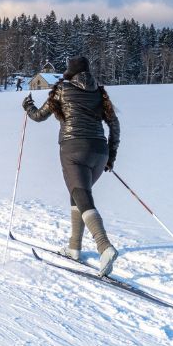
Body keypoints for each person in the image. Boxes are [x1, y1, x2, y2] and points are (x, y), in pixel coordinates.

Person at [22, 56, 122, 275]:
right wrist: (111, 156)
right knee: (78, 194)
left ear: (69, 72)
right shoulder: (99, 92)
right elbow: (114, 124)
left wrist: (28, 106)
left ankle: (104, 246)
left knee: (82, 195)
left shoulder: (62, 89)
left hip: (73, 149)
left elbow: (39, 116)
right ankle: (74, 247)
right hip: (99, 151)